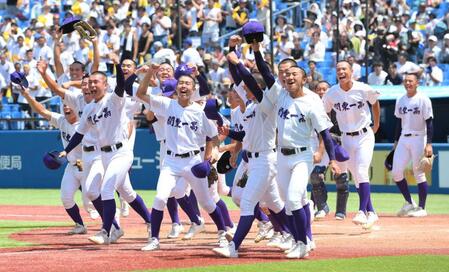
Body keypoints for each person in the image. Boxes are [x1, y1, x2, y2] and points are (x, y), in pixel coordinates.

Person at [213, 37, 289, 258]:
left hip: (265, 160)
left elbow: (250, 78)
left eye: (247, 88)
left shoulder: (267, 103)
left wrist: (243, 60)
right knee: (274, 203)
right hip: (254, 159)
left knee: (247, 202)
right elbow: (245, 134)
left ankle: (233, 248)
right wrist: (231, 51)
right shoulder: (250, 108)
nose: (243, 90)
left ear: (257, 89)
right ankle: (300, 236)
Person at [136, 69, 228, 252]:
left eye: (187, 84)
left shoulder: (199, 112)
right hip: (170, 161)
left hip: (193, 162)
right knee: (160, 197)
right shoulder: (166, 105)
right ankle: (154, 238)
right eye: (181, 83)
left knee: (207, 202)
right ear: (176, 87)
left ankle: (223, 234)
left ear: (193, 89)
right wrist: (149, 73)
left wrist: (208, 157)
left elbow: (212, 137)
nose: (183, 86)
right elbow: (140, 94)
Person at [18, 85, 88, 235]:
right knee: (66, 197)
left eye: (69, 105)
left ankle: (111, 226)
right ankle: (80, 225)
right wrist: (27, 95)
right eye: (64, 105)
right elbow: (41, 111)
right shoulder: (61, 120)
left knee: (92, 199)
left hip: (88, 165)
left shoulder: (85, 123)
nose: (66, 108)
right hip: (72, 165)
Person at [322, 61, 381, 230]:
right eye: (338, 69)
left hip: (364, 135)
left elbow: (375, 102)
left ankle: (362, 211)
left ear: (351, 72)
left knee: (362, 171)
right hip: (345, 137)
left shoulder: (363, 88)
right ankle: (372, 212)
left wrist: (376, 125)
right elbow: (324, 113)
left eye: (344, 69)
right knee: (356, 176)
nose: (341, 71)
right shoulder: (332, 93)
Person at [391, 73, 433, 217]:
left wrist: (429, 144)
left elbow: (429, 121)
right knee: (396, 172)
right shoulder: (400, 99)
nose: (408, 83)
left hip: (419, 137)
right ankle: (409, 203)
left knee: (419, 173)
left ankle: (422, 208)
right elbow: (398, 122)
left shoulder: (423, 99)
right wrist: (396, 141)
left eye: (411, 81)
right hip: (404, 138)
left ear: (417, 83)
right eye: (406, 81)